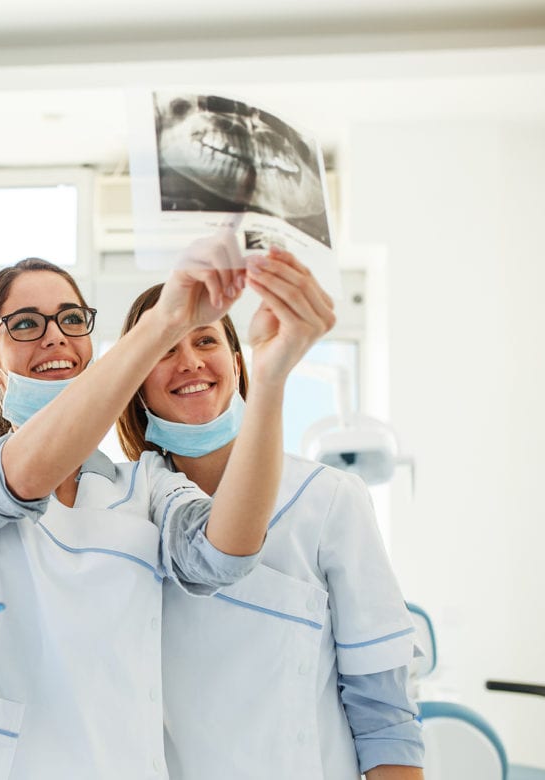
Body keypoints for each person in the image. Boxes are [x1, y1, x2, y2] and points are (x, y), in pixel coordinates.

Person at [0, 241, 331, 779]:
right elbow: (19, 479)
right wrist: (162, 322)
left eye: (71, 319)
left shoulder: (144, 484)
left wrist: (269, 381)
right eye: (27, 324)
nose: (55, 334)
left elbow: (225, 555)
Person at [116, 250, 424, 779]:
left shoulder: (327, 499)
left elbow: (385, 717)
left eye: (206, 340)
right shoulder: (124, 511)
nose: (189, 361)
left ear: (238, 364)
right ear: (134, 386)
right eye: (164, 349)